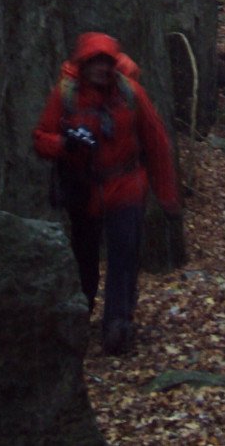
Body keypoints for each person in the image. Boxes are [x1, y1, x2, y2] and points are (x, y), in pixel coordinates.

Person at [33, 31, 180, 355]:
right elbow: (41, 137)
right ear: (83, 65)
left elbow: (156, 144)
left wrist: (167, 197)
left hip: (126, 186)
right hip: (84, 190)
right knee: (84, 258)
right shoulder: (66, 95)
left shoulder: (131, 94)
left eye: (105, 62)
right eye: (93, 62)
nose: (100, 69)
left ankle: (117, 325)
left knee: (124, 257)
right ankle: (80, 316)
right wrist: (65, 143)